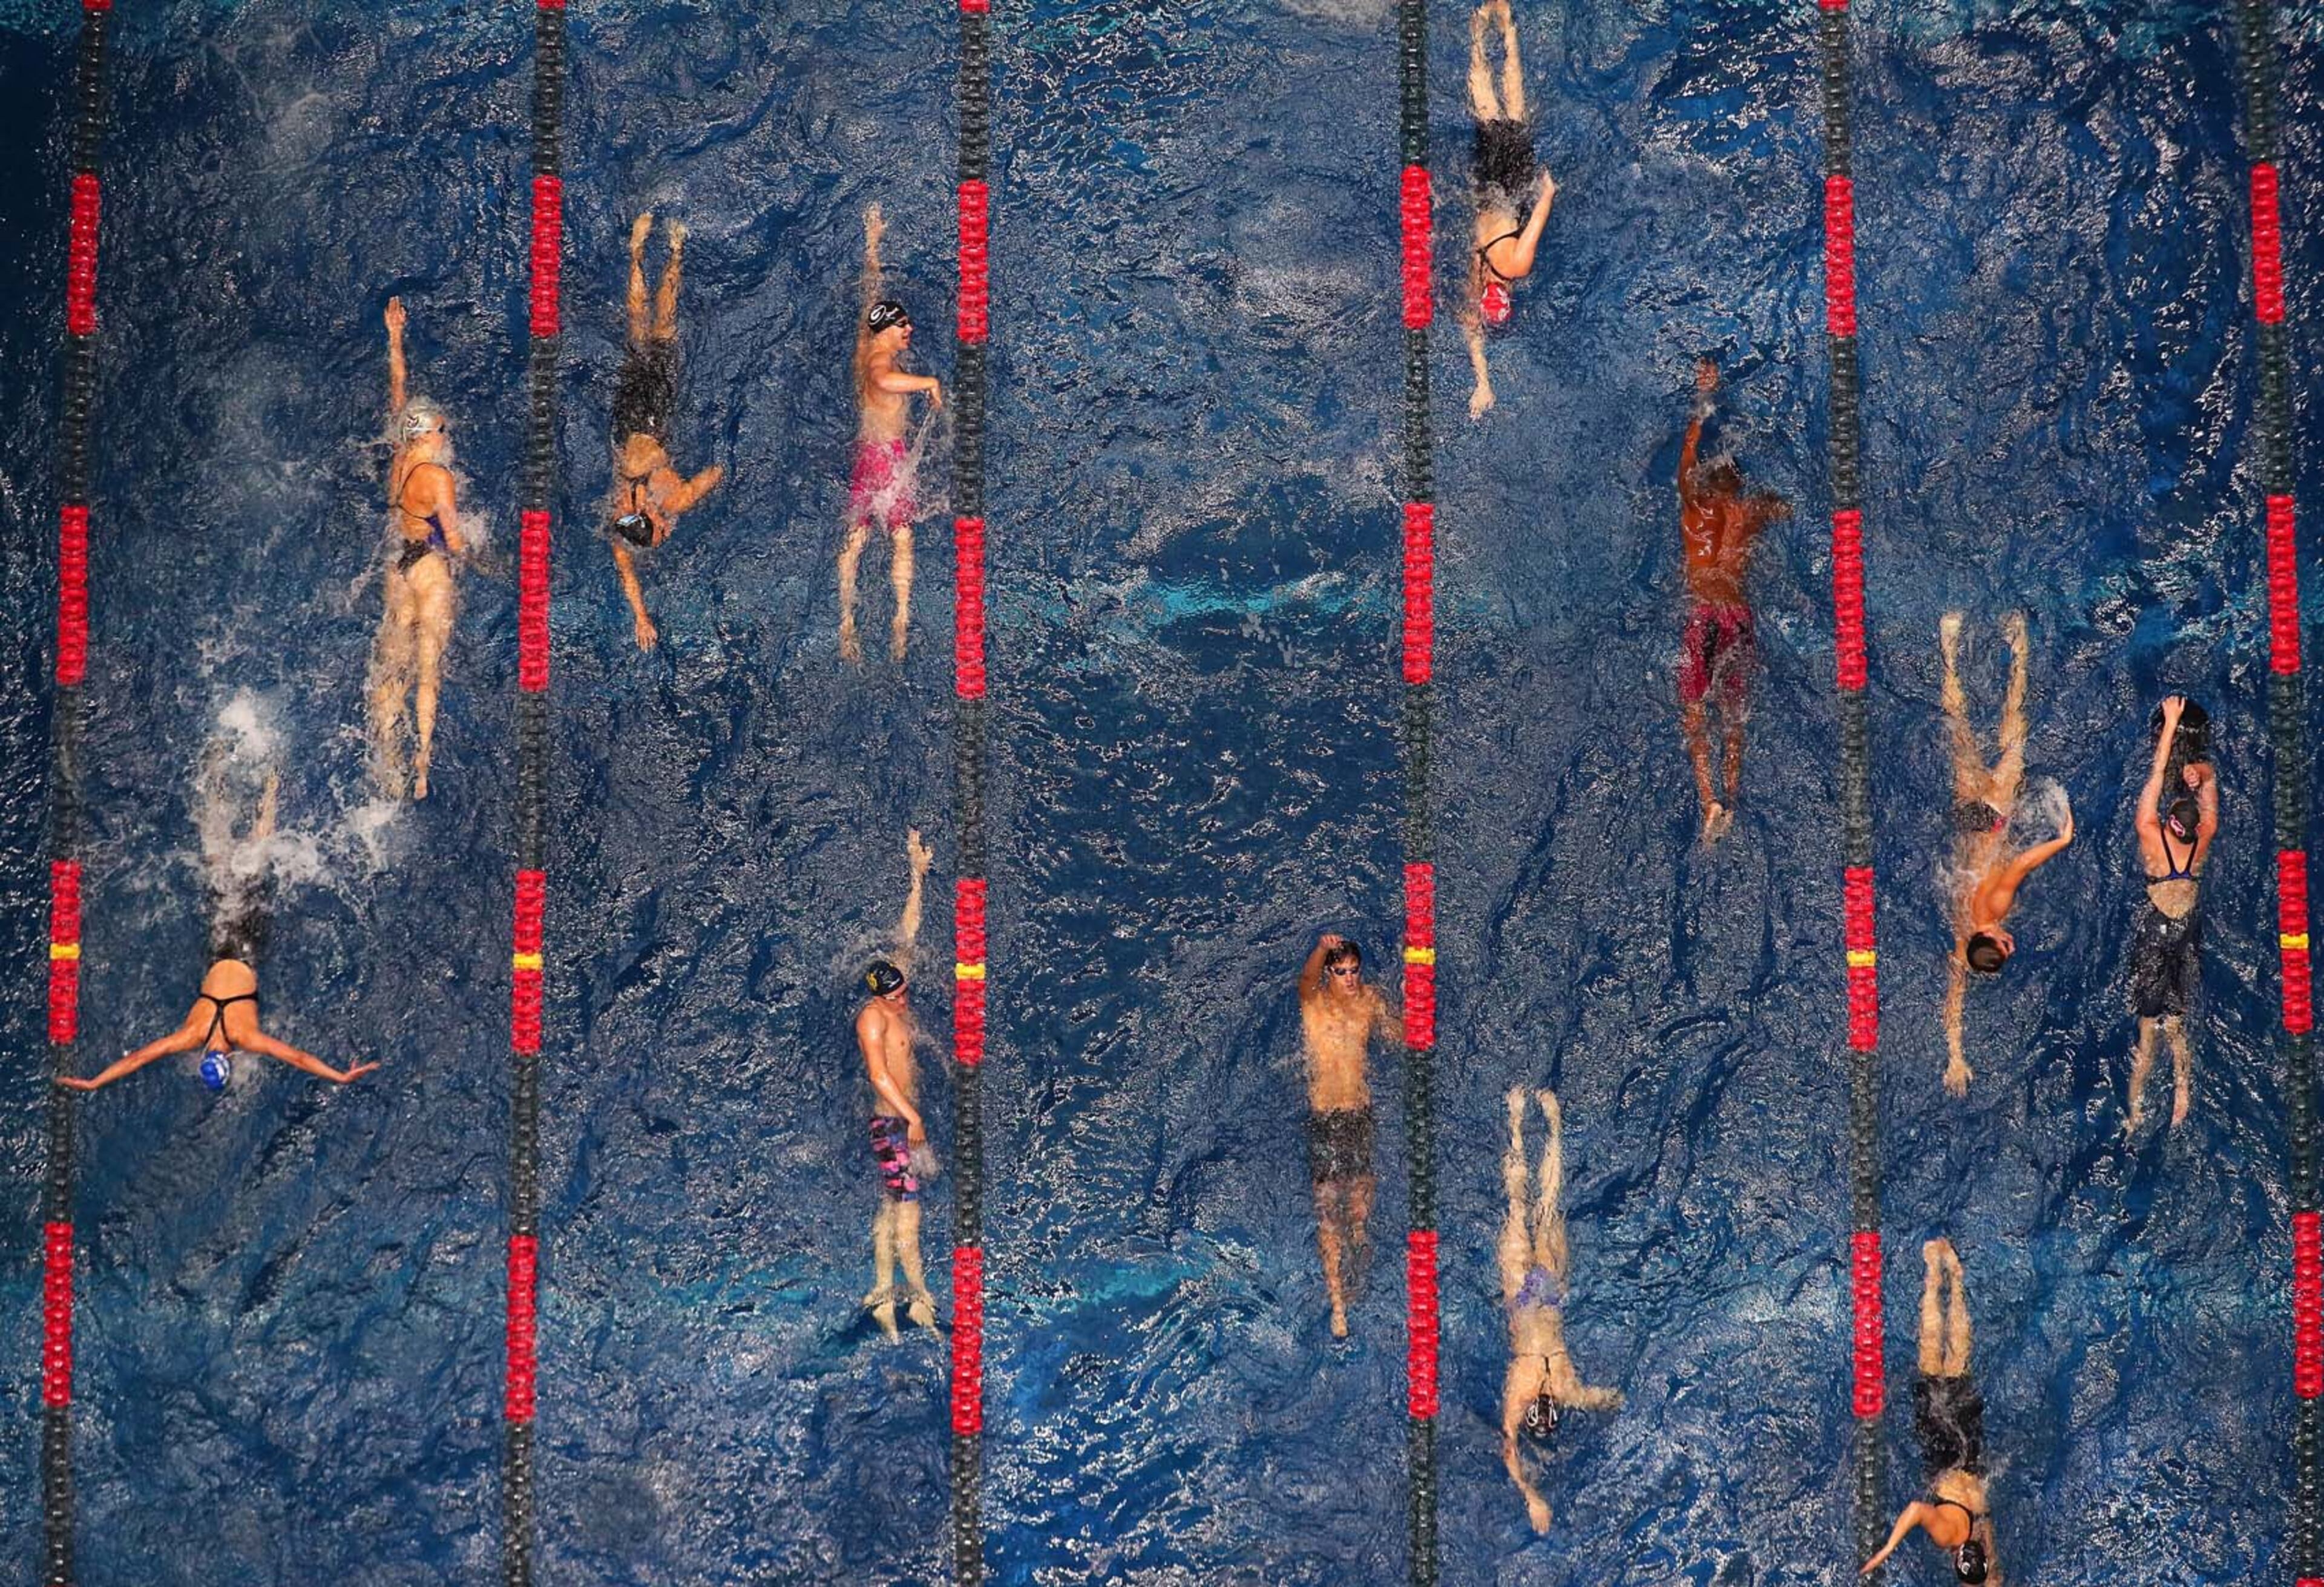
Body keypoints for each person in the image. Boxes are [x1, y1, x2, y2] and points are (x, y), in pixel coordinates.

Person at [57, 767, 377, 1092]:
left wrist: (339, 1076)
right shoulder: (191, 1036)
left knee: (258, 856)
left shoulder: (244, 1037)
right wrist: (94, 1081)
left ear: (229, 1061)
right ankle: (218, 780)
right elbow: (139, 1058)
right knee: (218, 864)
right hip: (220, 943)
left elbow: (298, 1058)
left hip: (247, 946)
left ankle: (271, 785)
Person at [1941, 611, 2072, 1096]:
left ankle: (2019, 650)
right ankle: (1950, 644)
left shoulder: (1992, 909)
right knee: (1959, 731)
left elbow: (2018, 864)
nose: (2010, 943)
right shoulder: (1964, 942)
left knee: (2013, 736)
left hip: (1995, 816)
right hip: (1968, 822)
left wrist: (2062, 841)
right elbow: (1954, 996)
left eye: (2004, 944)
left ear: (1992, 936)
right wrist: (1955, 1055)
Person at [1497, 1086, 1622, 1534]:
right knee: (1547, 1209)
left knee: (1518, 1208)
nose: (1549, 1400)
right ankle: (1553, 1126)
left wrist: (1531, 1498)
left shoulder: (1520, 1392)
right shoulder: (1567, 1391)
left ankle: (1515, 1122)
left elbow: (1508, 1445)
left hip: (1520, 1294)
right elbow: (1599, 1398)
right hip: (1548, 1295)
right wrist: (1617, 1400)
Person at [1676, 356, 1789, 844]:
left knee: (1695, 710)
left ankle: (1709, 800)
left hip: (1703, 613)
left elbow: (1687, 452)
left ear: (1707, 481)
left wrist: (1704, 399)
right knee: (1734, 713)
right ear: (1738, 484)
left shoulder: (1693, 506)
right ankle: (1735, 792)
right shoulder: (1752, 511)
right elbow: (1787, 508)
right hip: (1738, 615)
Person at [606, 212, 725, 652]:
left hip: (654, 417)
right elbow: (627, 575)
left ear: (651, 519)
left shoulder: (672, 500)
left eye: (661, 532)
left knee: (663, 330)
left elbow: (714, 474)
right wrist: (641, 618)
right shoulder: (619, 519)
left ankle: (675, 249)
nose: (667, 533)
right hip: (625, 421)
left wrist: (708, 486)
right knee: (637, 332)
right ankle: (637, 252)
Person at [369, 297, 464, 801]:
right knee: (428, 664)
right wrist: (478, 557)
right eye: (442, 429)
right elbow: (454, 539)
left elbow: (398, 394)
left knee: (393, 663)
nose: (446, 435)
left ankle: (385, 758)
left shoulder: (400, 456)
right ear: (429, 436)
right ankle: (423, 760)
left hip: (396, 567)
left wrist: (395, 339)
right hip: (429, 568)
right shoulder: (439, 479)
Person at [1862, 1238, 1998, 1584]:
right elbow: (1917, 1510)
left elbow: (1992, 1577)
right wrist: (1888, 1548)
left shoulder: (1982, 1523)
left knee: (1957, 1363)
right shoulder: (1949, 1537)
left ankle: (1954, 1275)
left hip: (1969, 1448)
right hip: (1941, 1445)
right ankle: (1932, 1273)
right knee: (1929, 1358)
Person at [841, 205, 942, 666]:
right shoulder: (881, 365)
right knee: (902, 536)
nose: (911, 330)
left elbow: (870, 296)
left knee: (858, 538)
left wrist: (873, 244)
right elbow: (885, 382)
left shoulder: (866, 346)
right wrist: (928, 384)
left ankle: (846, 621)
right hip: (887, 459)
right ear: (890, 330)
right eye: (905, 325)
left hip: (866, 454)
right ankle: (900, 620)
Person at [856, 827, 938, 1340]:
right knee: (909, 1210)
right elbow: (878, 1074)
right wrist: (911, 1117)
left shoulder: (893, 988)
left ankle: (884, 1294)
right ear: (882, 999)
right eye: (899, 997)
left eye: (907, 991)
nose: (906, 1001)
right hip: (892, 1122)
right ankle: (920, 1297)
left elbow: (908, 931)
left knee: (893, 1205)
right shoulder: (872, 1019)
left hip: (902, 1118)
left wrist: (917, 872)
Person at [1460, 0, 1558, 419]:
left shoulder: (1517, 266)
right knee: (1486, 109)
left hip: (1514, 186)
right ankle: (1479, 33)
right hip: (1486, 187)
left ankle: (1508, 28)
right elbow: (1472, 334)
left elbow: (1537, 218)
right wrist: (1483, 384)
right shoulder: (1474, 277)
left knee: (1514, 109)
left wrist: (1549, 191)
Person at [1298, 932, 1398, 1339]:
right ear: (1329, 974)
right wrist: (1321, 949)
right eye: (1341, 973)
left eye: (1355, 971)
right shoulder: (1314, 1003)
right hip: (1325, 1118)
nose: (1351, 979)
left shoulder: (1370, 1001)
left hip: (1359, 1115)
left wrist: (1415, 1012)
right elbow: (1304, 981)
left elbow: (1397, 1035)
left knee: (1358, 1213)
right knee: (1328, 1214)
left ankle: (1359, 1260)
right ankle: (1338, 1306)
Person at [2125, 695, 2218, 1132]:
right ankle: (2182, 1091)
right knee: (2177, 1020)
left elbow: (2157, 774)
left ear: (2167, 822)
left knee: (2148, 1026)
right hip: (2187, 927)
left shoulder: (2149, 833)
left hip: (2156, 930)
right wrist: (2202, 774)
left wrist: (2169, 724)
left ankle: (2137, 1109)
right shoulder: (2206, 838)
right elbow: (2210, 789)